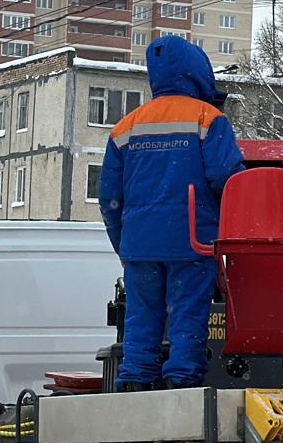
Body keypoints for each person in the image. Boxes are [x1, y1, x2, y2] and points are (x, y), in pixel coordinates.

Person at [96, 35, 243, 391]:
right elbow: (230, 180)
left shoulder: (126, 127)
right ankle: (181, 382)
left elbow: (108, 197)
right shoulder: (208, 119)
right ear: (197, 73)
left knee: (142, 318)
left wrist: (126, 245)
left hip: (140, 245)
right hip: (191, 243)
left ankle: (134, 382)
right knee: (188, 317)